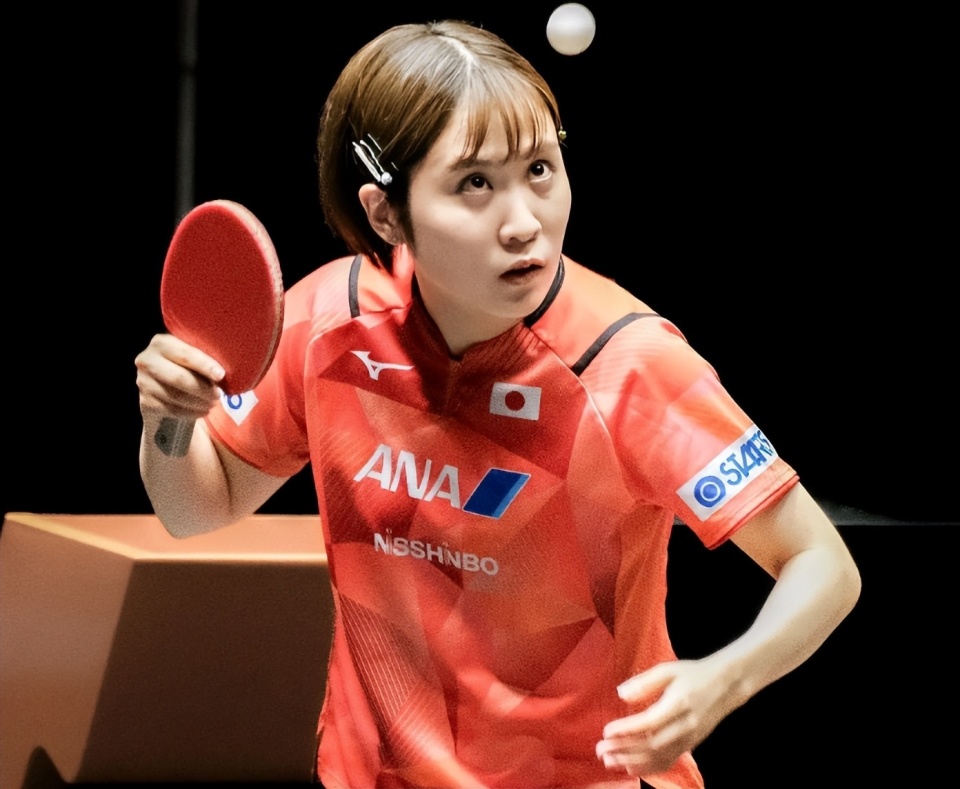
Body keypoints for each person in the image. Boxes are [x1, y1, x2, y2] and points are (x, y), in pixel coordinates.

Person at [136, 20, 860, 789]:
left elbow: (822, 563)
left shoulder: (626, 365)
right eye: (474, 184)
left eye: (540, 169)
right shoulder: (328, 323)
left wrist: (723, 677)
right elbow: (197, 507)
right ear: (385, 214)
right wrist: (170, 421)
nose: (524, 222)